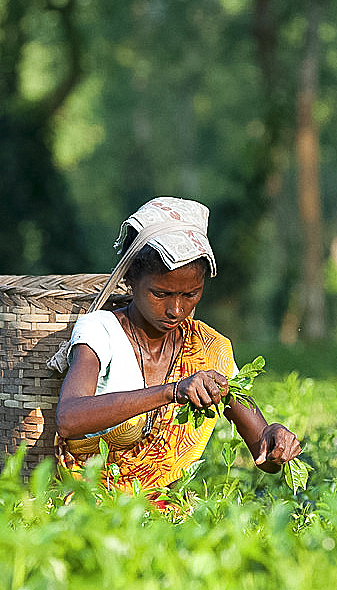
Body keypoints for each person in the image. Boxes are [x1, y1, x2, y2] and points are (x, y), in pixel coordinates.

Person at [55, 197, 301, 493]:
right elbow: (69, 419)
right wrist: (172, 391)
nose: (175, 309)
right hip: (88, 500)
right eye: (161, 294)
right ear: (131, 279)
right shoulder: (101, 331)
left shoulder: (208, 349)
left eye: (190, 294)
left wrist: (275, 441)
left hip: (164, 509)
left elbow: (262, 452)